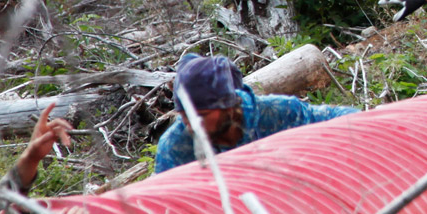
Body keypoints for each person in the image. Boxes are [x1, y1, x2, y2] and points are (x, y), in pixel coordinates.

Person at [153, 54, 360, 174]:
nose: (191, 125)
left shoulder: (277, 113)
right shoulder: (175, 147)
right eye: (185, 115)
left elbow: (336, 119)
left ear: (230, 105)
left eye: (202, 115)